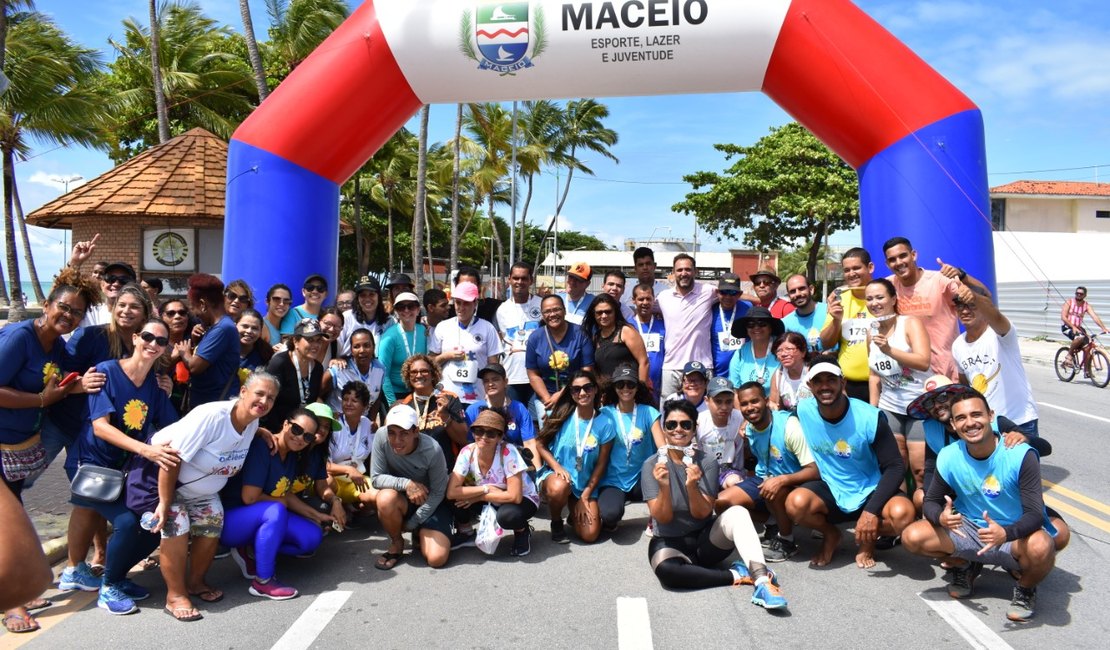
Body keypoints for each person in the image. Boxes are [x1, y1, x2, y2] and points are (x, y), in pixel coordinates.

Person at [902, 390, 1059, 622]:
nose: (970, 423)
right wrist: (940, 518)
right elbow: (931, 502)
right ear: (953, 425)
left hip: (1012, 534)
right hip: (968, 530)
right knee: (912, 536)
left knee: (1043, 545)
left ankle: (1025, 588)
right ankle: (964, 566)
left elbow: (1035, 514)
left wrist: (1006, 533)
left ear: (991, 416)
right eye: (962, 418)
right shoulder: (947, 455)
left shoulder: (1020, 454)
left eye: (976, 414)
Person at [0, 269, 99, 633]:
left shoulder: (56, 345)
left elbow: (55, 386)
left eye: (76, 313)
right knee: (5, 525)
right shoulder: (20, 337)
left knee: (12, 518)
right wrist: (41, 399)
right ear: (47, 304)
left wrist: (69, 389)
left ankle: (17, 590)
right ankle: (12, 603)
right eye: (64, 307)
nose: (68, 316)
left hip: (16, 445)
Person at [63, 319, 180, 615]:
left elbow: (174, 426)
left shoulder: (155, 385)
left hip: (124, 469)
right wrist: (146, 450)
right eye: (148, 337)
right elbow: (101, 427)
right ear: (136, 337)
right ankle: (109, 586)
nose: (153, 344)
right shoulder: (106, 371)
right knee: (128, 523)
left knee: (152, 524)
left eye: (161, 341)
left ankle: (117, 576)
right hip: (92, 466)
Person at [148, 371, 280, 622]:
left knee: (213, 523)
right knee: (177, 526)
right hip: (168, 482)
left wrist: (261, 431)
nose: (264, 401)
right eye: (259, 394)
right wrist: (165, 503)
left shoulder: (251, 422)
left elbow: (245, 429)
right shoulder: (211, 416)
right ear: (243, 392)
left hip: (204, 493)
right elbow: (170, 458)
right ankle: (175, 596)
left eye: (270, 398)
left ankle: (196, 582)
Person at [643, 399, 788, 609]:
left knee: (737, 512)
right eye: (671, 424)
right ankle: (737, 574)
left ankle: (762, 581)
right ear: (664, 429)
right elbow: (662, 518)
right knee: (668, 573)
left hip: (705, 541)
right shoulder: (651, 465)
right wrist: (664, 487)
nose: (678, 430)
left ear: (694, 429)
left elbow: (702, 514)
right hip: (669, 541)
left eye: (685, 424)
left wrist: (692, 486)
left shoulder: (707, 461)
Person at [786, 361, 915, 568]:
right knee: (796, 504)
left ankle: (867, 537)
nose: (825, 386)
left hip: (870, 489)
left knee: (904, 516)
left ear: (842, 382)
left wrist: (871, 511)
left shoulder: (869, 417)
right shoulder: (803, 410)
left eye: (831, 380)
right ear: (810, 386)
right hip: (831, 488)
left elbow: (895, 466)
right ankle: (831, 535)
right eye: (818, 381)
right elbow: (778, 424)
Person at [221, 408, 335, 600]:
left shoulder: (291, 455)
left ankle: (255, 548)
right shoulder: (263, 446)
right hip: (231, 520)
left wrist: (317, 516)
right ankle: (263, 582)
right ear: (285, 424)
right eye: (297, 430)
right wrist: (282, 501)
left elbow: (286, 494)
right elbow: (250, 497)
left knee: (311, 537)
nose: (299, 438)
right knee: (276, 510)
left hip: (261, 515)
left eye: (307, 437)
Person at [731, 382, 819, 562]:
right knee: (724, 503)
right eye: (744, 404)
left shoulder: (790, 426)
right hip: (766, 478)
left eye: (754, 401)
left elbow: (815, 470)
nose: (750, 408)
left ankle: (787, 541)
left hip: (797, 482)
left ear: (765, 401)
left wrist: (782, 480)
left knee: (775, 490)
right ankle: (774, 521)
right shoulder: (748, 428)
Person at [883, 236, 985, 379]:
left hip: (945, 373)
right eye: (892, 259)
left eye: (903, 256)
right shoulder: (888, 287)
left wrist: (962, 276)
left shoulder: (939, 281)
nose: (898, 262)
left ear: (913, 255)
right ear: (887, 264)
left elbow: (985, 296)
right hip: (910, 378)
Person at [536, 370, 615, 544]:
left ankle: (574, 513)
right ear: (571, 393)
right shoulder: (560, 415)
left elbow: (601, 465)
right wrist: (557, 467)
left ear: (595, 390)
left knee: (590, 535)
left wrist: (586, 496)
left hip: (585, 484)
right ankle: (556, 522)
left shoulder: (606, 424)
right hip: (557, 478)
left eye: (587, 388)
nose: (582, 393)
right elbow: (540, 444)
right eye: (576, 389)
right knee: (559, 488)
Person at [446, 409, 539, 557]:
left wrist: (479, 496)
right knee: (454, 498)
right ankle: (466, 532)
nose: (483, 437)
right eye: (479, 431)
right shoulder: (467, 452)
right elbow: (452, 491)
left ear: (500, 436)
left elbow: (515, 497)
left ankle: (522, 531)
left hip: (522, 498)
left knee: (508, 516)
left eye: (491, 433)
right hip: (493, 494)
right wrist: (486, 488)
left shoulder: (508, 452)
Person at [371, 404, 453, 570]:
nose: (396, 441)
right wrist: (407, 484)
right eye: (392, 433)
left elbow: (438, 493)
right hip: (403, 500)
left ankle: (421, 532)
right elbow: (376, 478)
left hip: (432, 503)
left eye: (404, 434)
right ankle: (397, 542)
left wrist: (413, 523)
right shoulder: (380, 436)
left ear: (416, 431)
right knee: (385, 497)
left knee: (436, 559)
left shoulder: (433, 450)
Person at [951, 283, 1039, 436]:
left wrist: (975, 296)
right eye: (960, 306)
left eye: (971, 305)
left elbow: (996, 316)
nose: (965, 311)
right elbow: (965, 386)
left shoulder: (1001, 334)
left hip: (1019, 420)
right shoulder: (958, 345)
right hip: (987, 425)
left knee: (1025, 461)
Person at [866, 278, 931, 481]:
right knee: (896, 466)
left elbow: (923, 362)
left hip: (918, 404)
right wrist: (872, 410)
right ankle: (900, 509)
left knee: (920, 469)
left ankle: (924, 508)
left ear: (893, 298)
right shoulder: (871, 331)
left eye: (879, 297)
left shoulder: (910, 323)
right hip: (890, 405)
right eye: (869, 299)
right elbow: (874, 374)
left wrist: (889, 350)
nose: (874, 303)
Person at [598, 366, 661, 532]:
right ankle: (612, 510)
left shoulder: (649, 412)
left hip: (642, 479)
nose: (626, 389)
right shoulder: (604, 413)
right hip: (613, 480)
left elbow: (662, 447)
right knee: (610, 516)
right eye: (620, 385)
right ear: (614, 388)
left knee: (663, 477)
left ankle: (657, 516)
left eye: (630, 385)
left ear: (637, 387)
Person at [429, 281, 502, 405]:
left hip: (478, 397)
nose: (461, 308)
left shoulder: (487, 328)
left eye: (466, 303)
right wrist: (446, 356)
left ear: (475, 303)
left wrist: (493, 394)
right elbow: (430, 362)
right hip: (446, 397)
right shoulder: (443, 327)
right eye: (458, 302)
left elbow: (493, 365)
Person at [525, 294, 595, 422]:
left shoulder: (581, 334)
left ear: (564, 310)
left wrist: (562, 395)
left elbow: (587, 370)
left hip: (576, 395)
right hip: (546, 399)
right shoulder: (535, 338)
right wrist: (549, 401)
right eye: (547, 311)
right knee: (548, 438)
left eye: (556, 309)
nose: (552, 314)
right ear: (542, 314)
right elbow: (533, 374)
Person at [656, 253, 717, 399]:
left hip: (702, 366)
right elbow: (642, 309)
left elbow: (732, 295)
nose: (684, 273)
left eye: (688, 269)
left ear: (695, 271)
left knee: (703, 415)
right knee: (669, 416)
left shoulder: (708, 291)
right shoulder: (663, 297)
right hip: (671, 368)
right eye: (679, 270)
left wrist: (760, 301)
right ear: (673, 272)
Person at [819, 247, 877, 400]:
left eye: (857, 268)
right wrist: (836, 321)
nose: (851, 274)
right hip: (847, 385)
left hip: (883, 383)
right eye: (847, 270)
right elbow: (825, 343)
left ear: (870, 267)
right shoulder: (839, 299)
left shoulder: (883, 295)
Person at [177, 274, 241, 408]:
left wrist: (184, 352)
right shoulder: (216, 327)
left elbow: (194, 367)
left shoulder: (222, 329)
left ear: (202, 304)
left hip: (215, 407)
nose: (195, 314)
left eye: (193, 307)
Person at [396, 354, 468, 468]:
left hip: (445, 468)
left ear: (433, 375)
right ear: (408, 377)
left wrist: (445, 416)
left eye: (424, 371)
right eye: (413, 372)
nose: (419, 375)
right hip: (415, 470)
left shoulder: (449, 398)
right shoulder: (405, 406)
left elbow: (463, 439)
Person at [464, 364, 539, 468]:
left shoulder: (519, 408)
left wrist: (537, 475)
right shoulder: (473, 410)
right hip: (483, 464)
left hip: (516, 463)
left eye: (495, 379)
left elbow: (530, 443)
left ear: (505, 382)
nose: (490, 384)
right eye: (486, 381)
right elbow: (469, 445)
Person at [263, 318, 325, 431]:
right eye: (310, 340)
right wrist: (278, 432)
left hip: (301, 432)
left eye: (319, 340)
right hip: (275, 431)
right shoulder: (279, 363)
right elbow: (266, 402)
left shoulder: (318, 369)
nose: (315, 345)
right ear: (296, 341)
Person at [496, 262, 543, 406]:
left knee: (538, 423)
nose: (519, 282)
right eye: (515, 278)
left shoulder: (541, 304)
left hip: (538, 375)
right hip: (512, 376)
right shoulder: (502, 310)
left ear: (531, 280)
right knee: (513, 422)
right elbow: (501, 340)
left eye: (524, 278)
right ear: (509, 279)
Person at [327, 381, 376, 513]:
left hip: (357, 479)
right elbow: (323, 465)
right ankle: (335, 508)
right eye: (345, 399)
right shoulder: (333, 424)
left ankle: (355, 506)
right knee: (327, 480)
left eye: (354, 400)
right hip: (333, 480)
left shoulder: (367, 424)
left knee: (380, 497)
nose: (348, 404)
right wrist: (348, 470)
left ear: (365, 406)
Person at [582, 293, 649, 386]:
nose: (604, 316)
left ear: (615, 312)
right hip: (607, 393)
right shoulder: (595, 336)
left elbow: (644, 362)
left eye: (608, 311)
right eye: (599, 312)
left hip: (628, 390)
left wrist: (642, 390)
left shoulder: (626, 331)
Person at [696, 377, 746, 499]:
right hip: (704, 472)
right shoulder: (698, 421)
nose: (724, 407)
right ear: (707, 401)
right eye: (718, 401)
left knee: (734, 482)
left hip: (731, 472)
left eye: (728, 402)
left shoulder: (741, 418)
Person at [322, 327, 384, 419]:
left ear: (373, 347)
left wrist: (372, 420)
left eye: (366, 345)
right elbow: (317, 395)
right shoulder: (339, 369)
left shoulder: (380, 369)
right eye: (356, 346)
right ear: (351, 350)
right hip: (337, 422)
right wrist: (328, 416)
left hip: (361, 423)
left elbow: (377, 397)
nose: (362, 350)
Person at [377, 291, 427, 405]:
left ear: (418, 310)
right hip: (394, 393)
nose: (406, 310)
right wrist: (392, 402)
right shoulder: (389, 337)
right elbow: (383, 373)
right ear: (396, 311)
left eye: (411, 306)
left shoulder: (424, 332)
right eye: (401, 307)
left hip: (419, 392)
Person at [727, 307, 784, 395]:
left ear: (770, 327)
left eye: (762, 324)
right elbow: (735, 390)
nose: (756, 328)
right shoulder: (740, 354)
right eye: (751, 325)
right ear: (746, 329)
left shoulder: (782, 348)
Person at [710, 273, 751, 379]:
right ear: (717, 293)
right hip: (718, 375)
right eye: (724, 292)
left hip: (743, 373)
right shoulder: (709, 310)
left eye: (733, 292)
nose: (728, 297)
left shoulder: (748, 308)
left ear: (739, 294)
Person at [340, 275, 393, 355]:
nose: (367, 299)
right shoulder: (347, 317)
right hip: (348, 363)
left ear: (378, 296)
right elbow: (338, 344)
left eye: (371, 294)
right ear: (357, 299)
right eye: (363, 295)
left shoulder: (389, 321)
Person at [631, 283, 665, 403]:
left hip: (659, 387)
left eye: (648, 299)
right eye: (641, 299)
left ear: (653, 300)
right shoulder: (628, 326)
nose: (645, 302)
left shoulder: (663, 325)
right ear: (633, 300)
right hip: (634, 386)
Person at [781, 274, 828, 352]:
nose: (798, 294)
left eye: (801, 288)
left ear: (811, 289)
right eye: (793, 291)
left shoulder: (829, 311)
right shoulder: (785, 324)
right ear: (789, 296)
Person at [767, 332, 812, 411]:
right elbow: (773, 402)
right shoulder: (778, 375)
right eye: (779, 351)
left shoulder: (813, 372)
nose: (783, 354)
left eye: (789, 349)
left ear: (803, 352)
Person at [620, 246, 670, 317]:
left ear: (654, 266)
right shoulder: (626, 291)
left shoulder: (666, 292)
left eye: (648, 264)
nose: (645, 268)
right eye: (641, 265)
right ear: (635, 268)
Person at [162, 298, 193, 412]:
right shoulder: (155, 346)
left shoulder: (195, 344)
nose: (177, 316)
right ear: (162, 318)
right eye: (171, 313)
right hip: (164, 408)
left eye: (182, 313)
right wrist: (173, 359)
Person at [1060, 285, 1108, 358]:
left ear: (1085, 295)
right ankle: (1069, 354)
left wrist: (1103, 328)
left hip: (1078, 328)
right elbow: (1063, 317)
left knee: (1088, 346)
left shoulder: (1086, 305)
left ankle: (1087, 369)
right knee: (1079, 337)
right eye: (1077, 293)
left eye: (1081, 294)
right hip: (1067, 327)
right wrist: (1073, 327)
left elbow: (1094, 317)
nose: (1079, 295)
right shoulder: (1069, 302)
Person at [236, 309, 273, 382]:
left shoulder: (266, 356)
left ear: (260, 332)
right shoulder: (222, 351)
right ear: (235, 326)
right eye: (245, 326)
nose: (249, 331)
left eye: (254, 328)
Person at [559, 261, 595, 325]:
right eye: (570, 277)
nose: (572, 282)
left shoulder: (593, 302)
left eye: (577, 279)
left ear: (587, 284)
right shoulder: (557, 298)